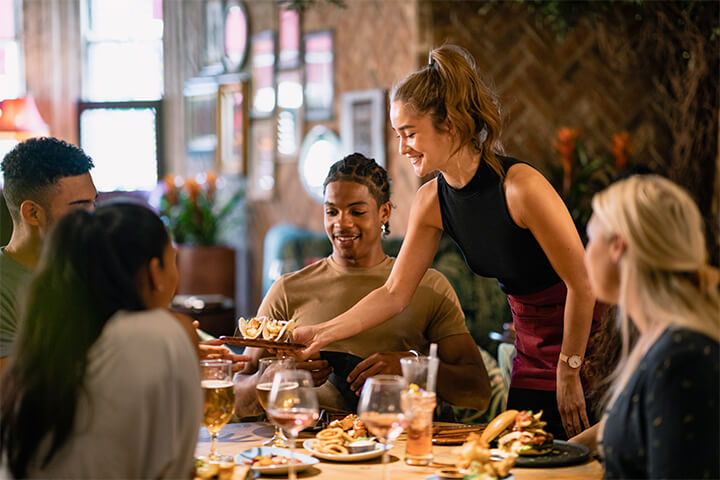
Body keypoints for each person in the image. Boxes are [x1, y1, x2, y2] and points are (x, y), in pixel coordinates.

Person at [293, 45, 597, 439]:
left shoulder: (521, 188)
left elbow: (583, 283)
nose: (402, 148)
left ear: (449, 125)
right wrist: (322, 332)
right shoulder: (431, 200)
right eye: (398, 135)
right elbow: (393, 293)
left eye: (410, 133)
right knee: (521, 458)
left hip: (585, 339)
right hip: (529, 345)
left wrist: (570, 368)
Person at [234, 153, 491, 418]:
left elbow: (477, 391)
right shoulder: (287, 290)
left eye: (357, 212)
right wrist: (279, 376)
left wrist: (411, 366)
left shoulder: (428, 286)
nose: (341, 223)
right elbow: (239, 400)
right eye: (331, 211)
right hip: (304, 442)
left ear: (384, 212)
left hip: (397, 441)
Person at [0, 202, 204, 478]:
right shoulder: (163, 334)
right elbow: (179, 469)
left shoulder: (50, 336)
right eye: (172, 261)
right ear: (155, 272)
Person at [572, 175, 719, 478]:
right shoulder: (655, 338)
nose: (585, 255)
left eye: (590, 239)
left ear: (617, 247)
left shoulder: (681, 358)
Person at [0, 137, 97, 372]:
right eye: (81, 207)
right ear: (32, 213)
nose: (94, 217)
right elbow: (13, 393)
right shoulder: (4, 286)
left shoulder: (89, 267)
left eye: (95, 202)